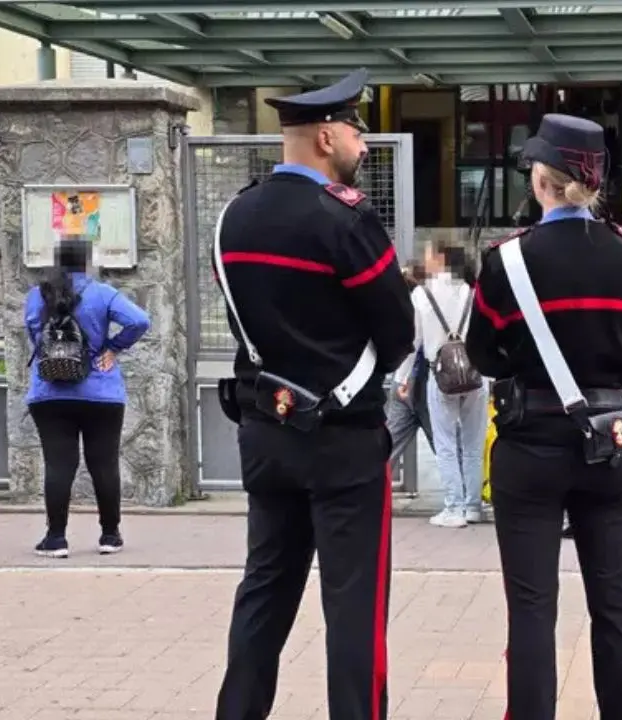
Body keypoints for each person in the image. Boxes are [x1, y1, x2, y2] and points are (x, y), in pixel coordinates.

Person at [212, 68, 414, 720]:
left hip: (266, 435)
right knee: (354, 608)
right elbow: (399, 331)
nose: (361, 140)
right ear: (327, 135)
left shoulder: (233, 217)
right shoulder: (347, 221)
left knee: (264, 590)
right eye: (355, 127)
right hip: (344, 441)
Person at [466, 113, 622, 720]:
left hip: (530, 443)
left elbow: (485, 353)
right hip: (609, 442)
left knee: (532, 609)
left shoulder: (508, 262)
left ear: (541, 180)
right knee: (616, 604)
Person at [24, 237, 150, 558]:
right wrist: (113, 348)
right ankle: (109, 536)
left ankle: (55, 539)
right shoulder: (102, 293)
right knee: (104, 463)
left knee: (59, 464)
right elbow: (139, 320)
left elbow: (34, 335)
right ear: (87, 262)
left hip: (49, 392)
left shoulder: (37, 296)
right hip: (101, 392)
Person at [395, 240, 487, 528]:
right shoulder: (473, 292)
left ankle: (454, 506)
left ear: (440, 258)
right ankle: (473, 506)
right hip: (475, 375)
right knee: (472, 443)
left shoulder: (422, 295)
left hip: (442, 375)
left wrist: (402, 378)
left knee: (446, 443)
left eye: (427, 253)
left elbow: (413, 343)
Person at [385, 262, 435, 461]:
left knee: (387, 450)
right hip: (429, 384)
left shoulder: (404, 309)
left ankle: (373, 488)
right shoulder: (435, 305)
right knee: (448, 451)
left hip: (402, 383)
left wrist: (402, 379)